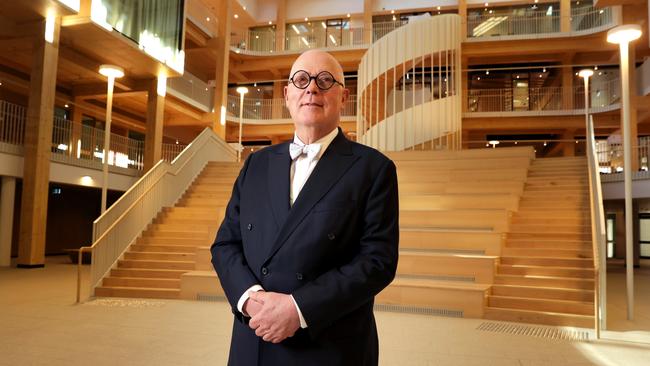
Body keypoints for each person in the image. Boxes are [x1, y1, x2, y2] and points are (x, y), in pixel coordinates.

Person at [210, 49, 399, 366]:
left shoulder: (373, 168)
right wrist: (252, 300)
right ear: (287, 95)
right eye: (301, 80)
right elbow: (225, 244)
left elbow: (377, 261)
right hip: (253, 341)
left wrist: (297, 309)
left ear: (344, 96)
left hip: (329, 346)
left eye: (325, 80)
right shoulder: (256, 164)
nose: (312, 88)